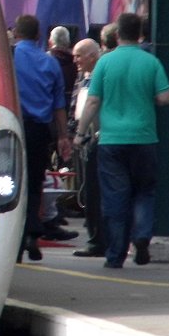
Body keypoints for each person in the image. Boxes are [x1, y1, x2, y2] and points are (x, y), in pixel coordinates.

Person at [75, 11, 169, 268]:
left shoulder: (105, 63)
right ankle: (141, 236)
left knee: (115, 197)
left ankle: (115, 255)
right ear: (140, 34)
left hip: (111, 141)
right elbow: (165, 98)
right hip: (144, 138)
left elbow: (93, 101)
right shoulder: (150, 62)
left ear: (117, 34)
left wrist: (79, 133)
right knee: (144, 191)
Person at [12, 15, 74, 262]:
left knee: (12, 186)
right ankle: (32, 234)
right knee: (35, 184)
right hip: (40, 131)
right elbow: (59, 105)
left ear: (16, 33)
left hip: (13, 127)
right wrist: (62, 136)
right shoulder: (50, 64)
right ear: (39, 36)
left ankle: (16, 242)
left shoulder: (10, 57)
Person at [68, 37, 105, 257]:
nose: (75, 60)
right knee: (91, 191)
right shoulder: (85, 76)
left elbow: (93, 104)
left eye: (79, 55)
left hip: (97, 138)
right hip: (89, 139)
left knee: (95, 192)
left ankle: (98, 240)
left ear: (92, 56)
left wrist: (81, 134)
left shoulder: (99, 74)